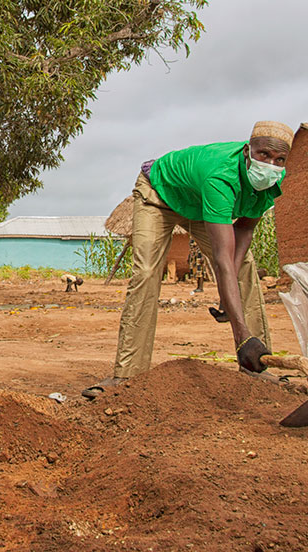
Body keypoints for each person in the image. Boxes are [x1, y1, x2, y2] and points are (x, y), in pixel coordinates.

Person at [82, 121, 292, 400]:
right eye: (263, 154)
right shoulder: (221, 176)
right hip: (158, 195)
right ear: (246, 150)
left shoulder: (270, 179)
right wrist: (239, 329)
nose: (270, 163)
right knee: (146, 272)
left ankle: (257, 364)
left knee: (244, 266)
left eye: (279, 159)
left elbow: (244, 229)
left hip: (197, 205)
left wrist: (229, 294)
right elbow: (221, 259)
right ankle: (126, 376)